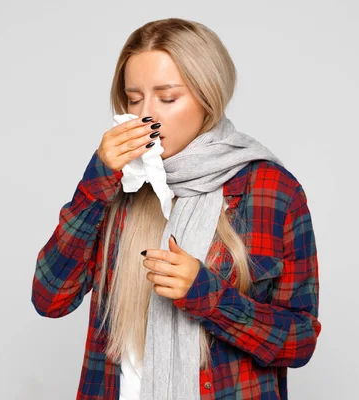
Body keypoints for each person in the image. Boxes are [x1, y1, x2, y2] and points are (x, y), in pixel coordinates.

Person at [31, 17, 321, 400]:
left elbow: (299, 343)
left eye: (167, 98)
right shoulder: (118, 183)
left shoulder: (270, 189)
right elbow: (50, 298)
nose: (146, 115)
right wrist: (97, 180)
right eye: (134, 99)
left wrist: (208, 296)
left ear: (208, 96)